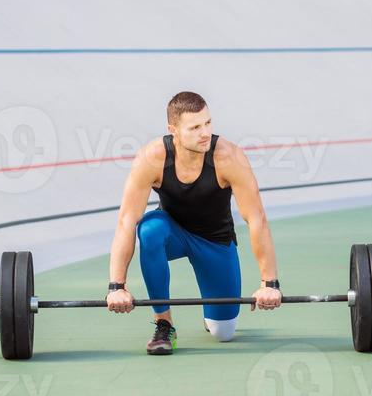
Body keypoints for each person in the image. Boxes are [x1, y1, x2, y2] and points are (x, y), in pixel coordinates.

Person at [106, 90, 282, 354]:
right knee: (150, 230)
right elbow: (126, 220)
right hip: (172, 234)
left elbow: (256, 219)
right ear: (173, 129)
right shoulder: (152, 158)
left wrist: (269, 283)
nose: (205, 133)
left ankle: (212, 317)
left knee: (223, 333)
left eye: (208, 123)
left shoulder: (229, 158)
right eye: (195, 127)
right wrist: (117, 286)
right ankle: (164, 324)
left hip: (215, 241)